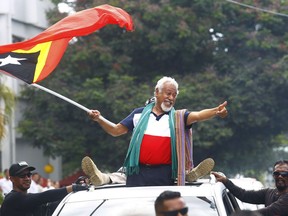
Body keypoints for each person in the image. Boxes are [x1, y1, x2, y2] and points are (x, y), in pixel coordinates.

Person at [85, 76, 228, 186]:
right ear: (157, 92)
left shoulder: (179, 117)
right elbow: (116, 130)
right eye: (168, 93)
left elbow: (198, 115)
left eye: (174, 95)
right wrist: (99, 119)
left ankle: (188, 173)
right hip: (137, 173)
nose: (171, 98)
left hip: (164, 174)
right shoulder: (139, 114)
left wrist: (216, 111)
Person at [0, 161, 89, 216]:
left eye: (29, 175)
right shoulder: (13, 199)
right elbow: (43, 197)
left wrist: (75, 188)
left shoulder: (26, 199)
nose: (27, 178)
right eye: (22, 175)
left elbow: (51, 205)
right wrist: (73, 187)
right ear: (11, 179)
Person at [212, 160, 288, 216]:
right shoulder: (269, 192)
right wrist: (225, 181)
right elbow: (244, 195)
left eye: (284, 173)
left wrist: (243, 214)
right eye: (276, 173)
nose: (280, 176)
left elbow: (269, 211)